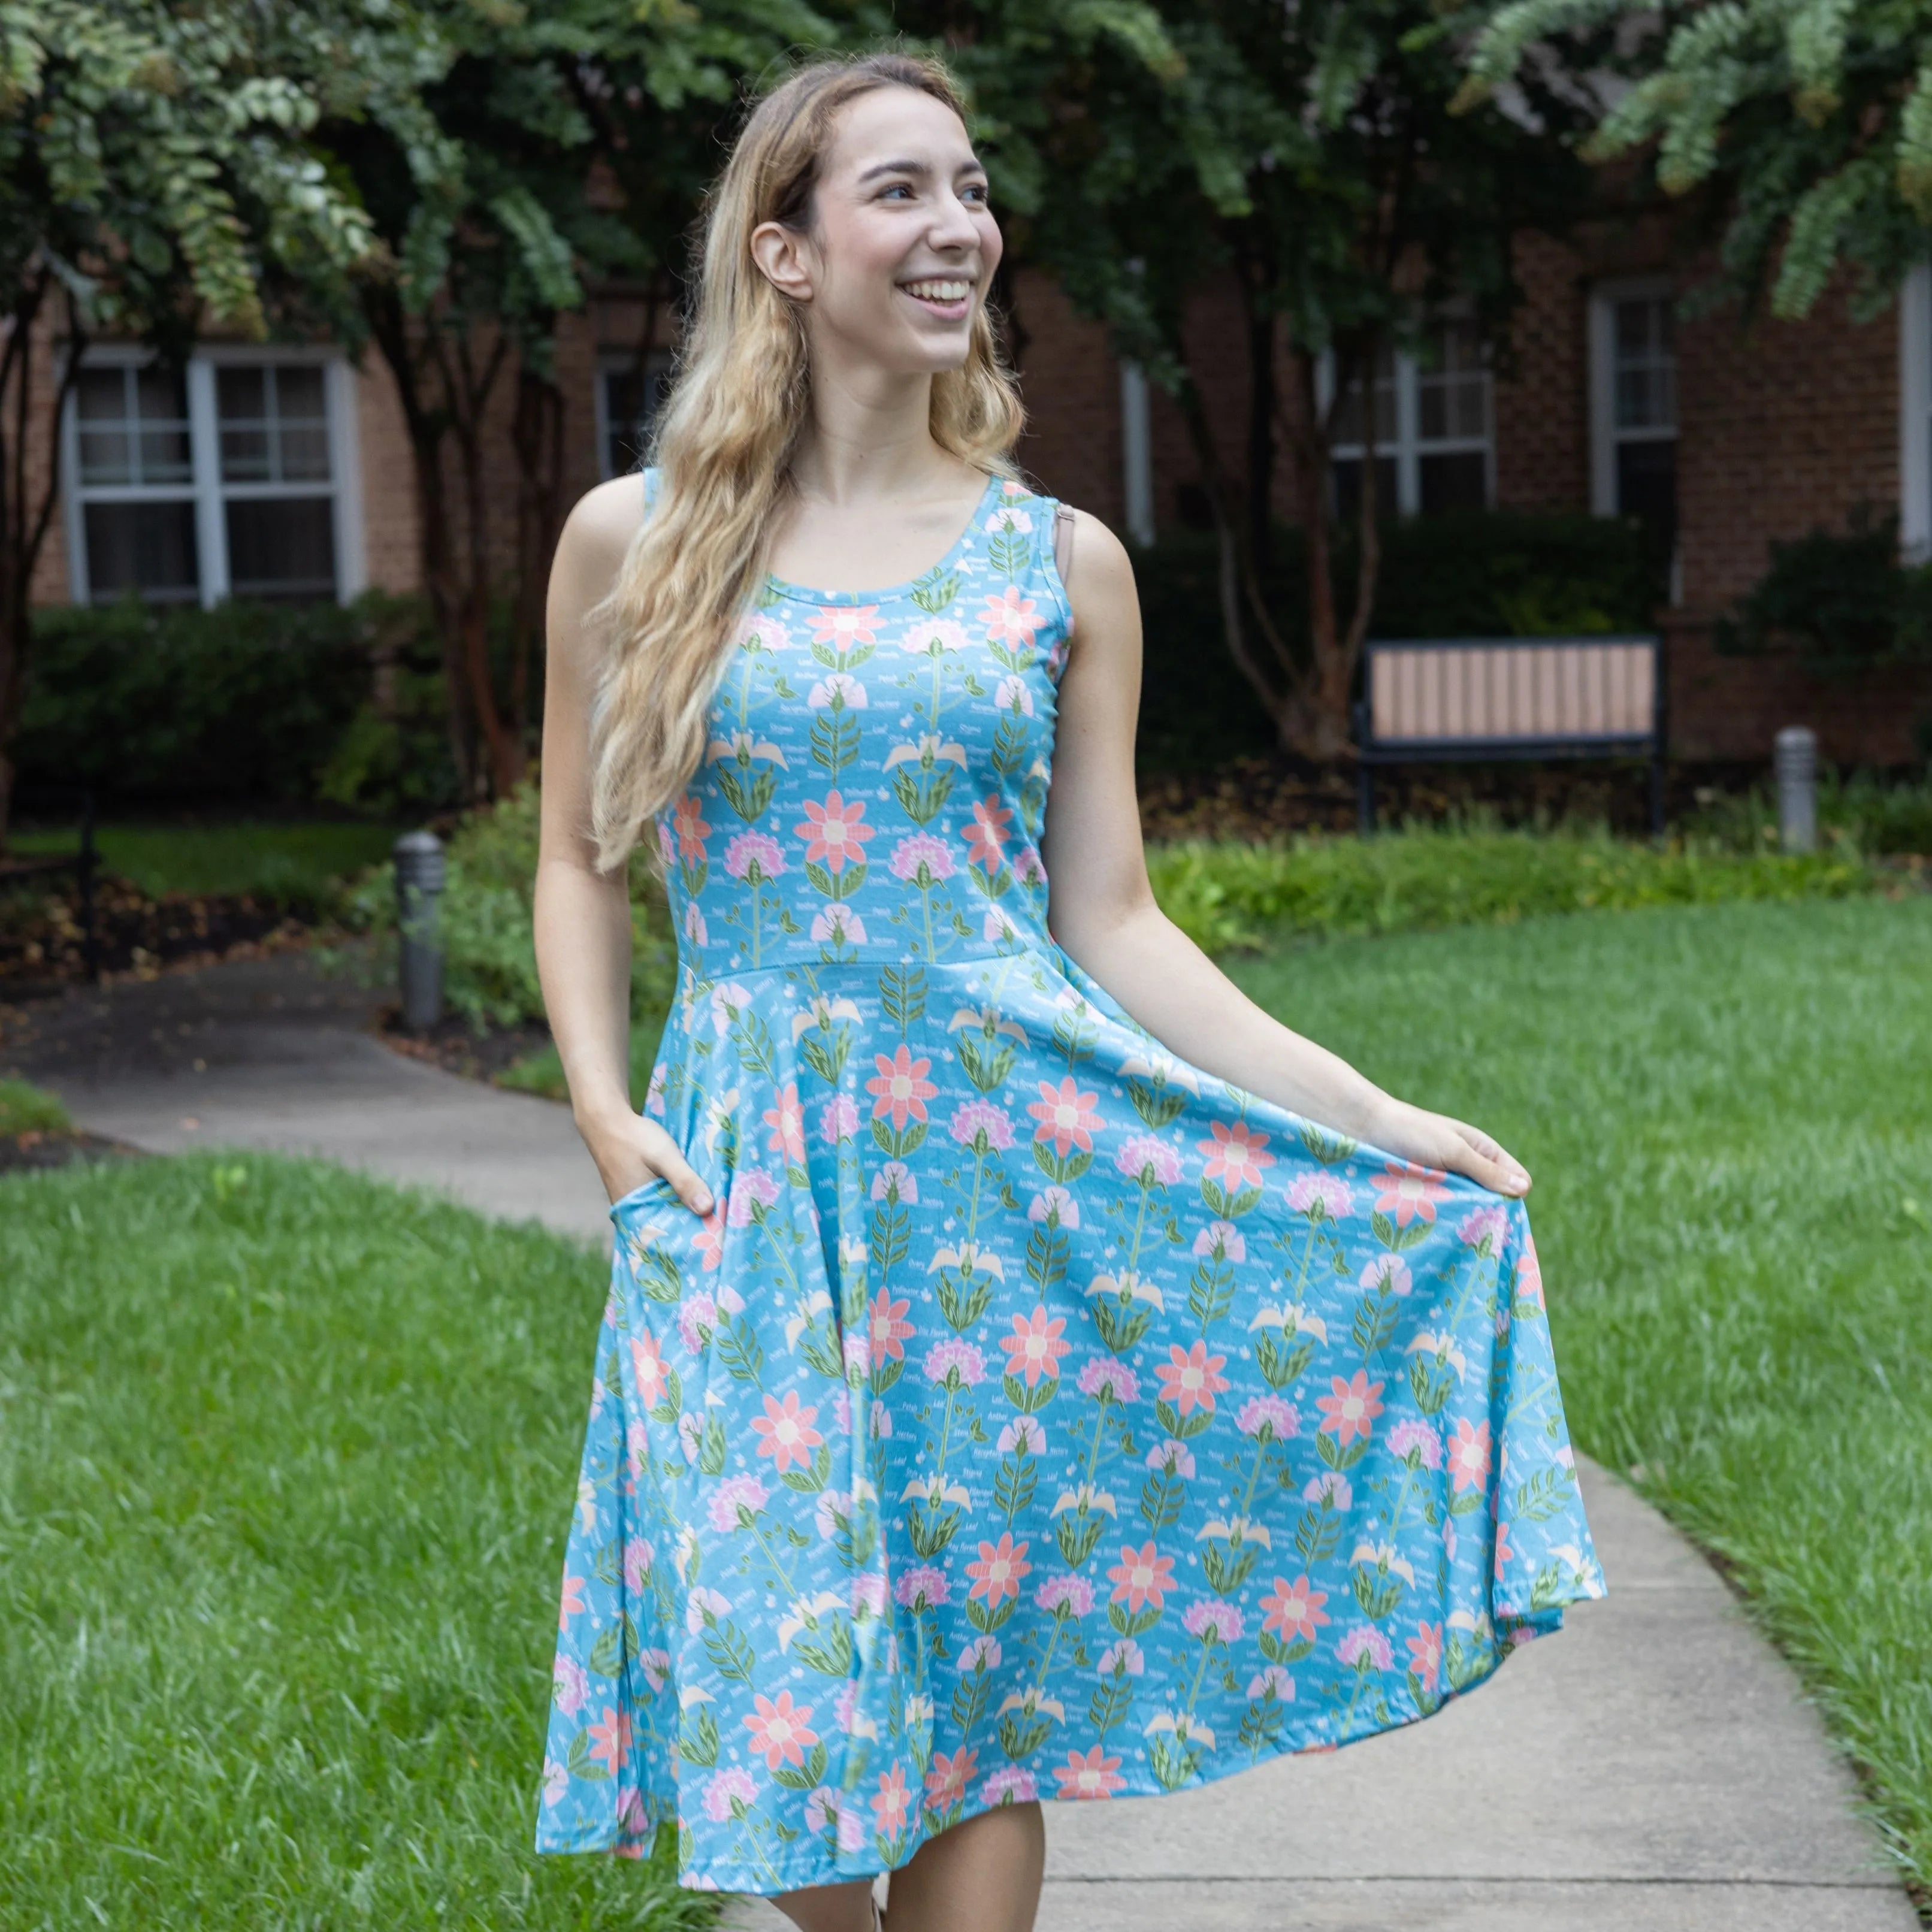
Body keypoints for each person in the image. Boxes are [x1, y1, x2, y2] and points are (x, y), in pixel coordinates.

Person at [531, 48, 1604, 1932]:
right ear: (782, 253)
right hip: (748, 1176)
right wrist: (609, 1119)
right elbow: (575, 857)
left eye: (969, 188)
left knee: (971, 1682)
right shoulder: (638, 543)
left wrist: (1366, 1112)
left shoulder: (1061, 562)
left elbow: (1111, 920)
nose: (960, 229)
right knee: (783, 1661)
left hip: (1000, 1175)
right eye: (901, 192)